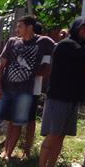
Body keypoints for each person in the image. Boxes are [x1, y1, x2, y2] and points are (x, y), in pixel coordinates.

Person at [37, 18, 85, 167]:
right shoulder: (67, 44)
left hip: (71, 98)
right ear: (75, 29)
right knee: (53, 134)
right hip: (59, 97)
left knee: (61, 136)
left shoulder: (80, 48)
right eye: (82, 29)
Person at [0, 15, 51, 160]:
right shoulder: (12, 42)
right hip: (6, 88)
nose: (17, 29)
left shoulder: (43, 42)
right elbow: (1, 65)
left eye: (20, 26)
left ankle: (8, 154)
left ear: (30, 27)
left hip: (25, 91)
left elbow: (57, 49)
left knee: (17, 123)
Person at [22, 22, 55, 159]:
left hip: (32, 90)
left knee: (29, 120)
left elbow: (45, 69)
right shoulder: (21, 44)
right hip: (18, 88)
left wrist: (28, 74)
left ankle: (27, 150)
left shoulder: (44, 46)